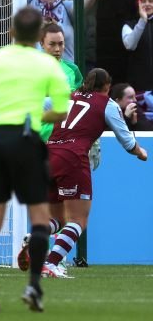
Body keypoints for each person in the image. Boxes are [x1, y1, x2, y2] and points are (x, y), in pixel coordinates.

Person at [0, 6, 71, 312]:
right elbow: (62, 111)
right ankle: (34, 287)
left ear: (9, 32)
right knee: (38, 218)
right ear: (37, 36)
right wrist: (37, 114)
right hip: (27, 139)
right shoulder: (47, 66)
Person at [40, 69, 147, 278]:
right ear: (107, 86)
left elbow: (39, 105)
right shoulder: (107, 103)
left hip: (49, 155)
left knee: (58, 219)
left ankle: (32, 237)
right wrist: (140, 152)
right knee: (79, 220)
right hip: (72, 158)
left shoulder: (68, 97)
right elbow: (126, 140)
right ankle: (50, 263)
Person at [27, 0, 105, 62]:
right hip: (35, 68)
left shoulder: (65, 7)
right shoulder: (30, 0)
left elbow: (80, 7)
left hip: (64, 71)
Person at [38, 22, 83, 142]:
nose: (57, 49)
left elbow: (78, 103)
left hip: (66, 139)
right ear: (41, 43)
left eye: (60, 44)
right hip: (38, 138)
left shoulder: (73, 70)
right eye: (52, 44)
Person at [122, 0, 153, 93]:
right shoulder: (129, 25)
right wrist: (142, 21)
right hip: (139, 87)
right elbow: (130, 45)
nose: (147, 4)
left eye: (150, 1)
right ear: (138, 4)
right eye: (143, 1)